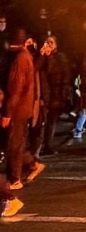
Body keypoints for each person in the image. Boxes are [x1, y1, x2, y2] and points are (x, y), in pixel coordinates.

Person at [2, 30, 44, 189]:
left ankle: (15, 179)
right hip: (23, 108)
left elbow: (16, 89)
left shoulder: (19, 59)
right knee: (14, 143)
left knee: (14, 144)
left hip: (18, 109)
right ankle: (31, 164)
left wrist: (8, 113)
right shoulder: (25, 57)